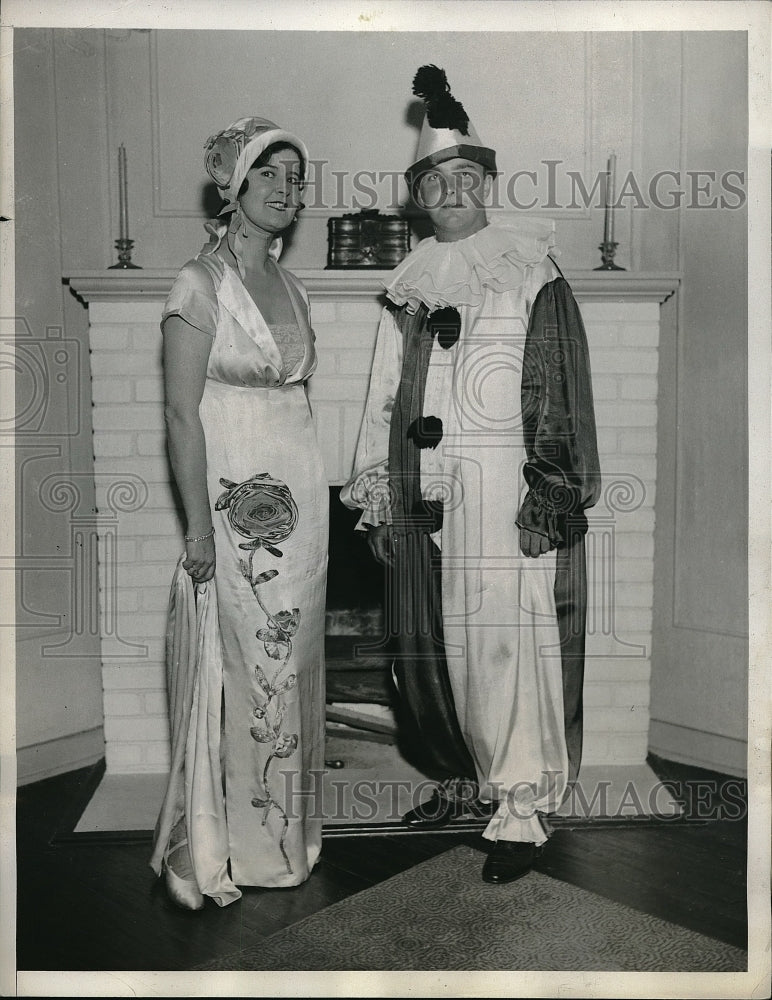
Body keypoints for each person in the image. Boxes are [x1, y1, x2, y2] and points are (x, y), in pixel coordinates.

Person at [341, 67, 600, 885]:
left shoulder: (531, 269)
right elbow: (385, 392)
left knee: (503, 648)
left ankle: (520, 811)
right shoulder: (411, 282)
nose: (450, 193)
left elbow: (561, 390)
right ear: (419, 195)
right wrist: (381, 493)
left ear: (487, 185)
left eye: (464, 179)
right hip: (427, 491)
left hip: (502, 488)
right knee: (437, 649)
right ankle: (466, 778)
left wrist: (547, 496)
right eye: (434, 182)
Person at [149, 117, 328, 909]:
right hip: (235, 501)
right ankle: (246, 849)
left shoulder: (291, 284)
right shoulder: (197, 282)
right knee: (256, 667)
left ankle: (289, 839)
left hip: (303, 493)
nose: (287, 189)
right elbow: (183, 417)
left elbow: (297, 398)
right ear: (235, 187)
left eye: (296, 176)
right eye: (270, 175)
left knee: (295, 666)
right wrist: (196, 529)